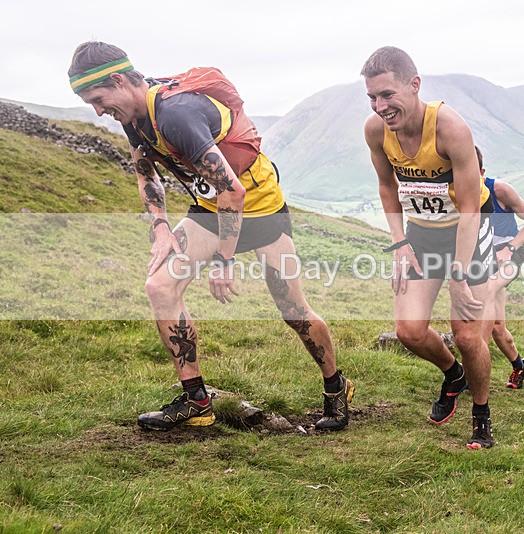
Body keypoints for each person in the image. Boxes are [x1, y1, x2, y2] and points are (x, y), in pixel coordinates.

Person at [69, 42, 353, 432]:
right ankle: (196, 400)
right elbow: (146, 173)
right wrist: (160, 227)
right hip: (210, 206)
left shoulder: (176, 115)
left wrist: (223, 261)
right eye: (91, 105)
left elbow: (233, 191)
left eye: (98, 100)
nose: (99, 111)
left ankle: (336, 387)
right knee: (160, 286)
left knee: (293, 310)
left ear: (118, 80)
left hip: (259, 206)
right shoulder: (133, 117)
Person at [363, 46, 497, 449]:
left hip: (467, 232)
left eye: (387, 94)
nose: (380, 106)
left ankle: (481, 416)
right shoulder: (375, 130)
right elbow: (387, 186)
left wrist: (459, 274)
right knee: (409, 331)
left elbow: (470, 208)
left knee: (468, 335)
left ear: (414, 85)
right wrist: (400, 242)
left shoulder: (450, 128)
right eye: (372, 97)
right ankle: (454, 374)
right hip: (421, 233)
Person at [475, 146, 524, 389]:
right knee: (497, 326)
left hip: (510, 255)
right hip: (483, 257)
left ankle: (474, 366)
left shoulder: (499, 190)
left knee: (488, 289)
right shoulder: (457, 191)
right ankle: (519, 367)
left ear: (482, 172)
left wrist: (510, 248)